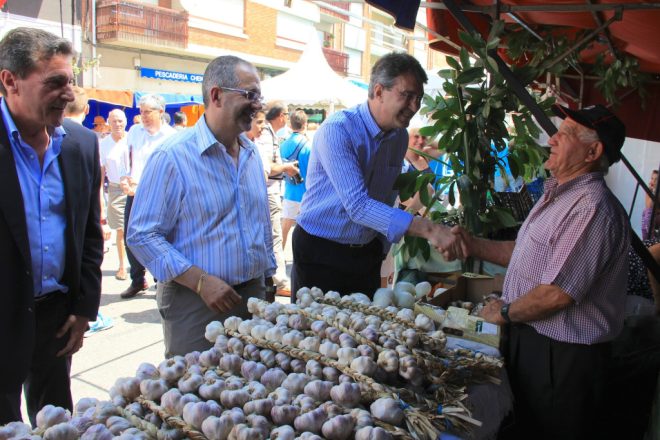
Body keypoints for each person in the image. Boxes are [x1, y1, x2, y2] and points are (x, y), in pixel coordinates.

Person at [446, 104, 629, 440]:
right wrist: (472, 244)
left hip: (563, 357)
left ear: (594, 151)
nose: (553, 138)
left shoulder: (591, 208)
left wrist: (502, 312)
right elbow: (523, 252)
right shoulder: (559, 196)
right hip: (535, 341)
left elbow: (557, 293)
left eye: (568, 133)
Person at [127, 55, 275, 357]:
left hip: (254, 298)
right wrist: (201, 282)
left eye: (259, 96)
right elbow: (142, 235)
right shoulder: (171, 157)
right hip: (195, 303)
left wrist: (267, 279)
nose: (258, 105)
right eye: (250, 95)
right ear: (216, 95)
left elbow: (259, 221)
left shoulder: (250, 153)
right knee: (195, 396)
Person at [291, 52, 458, 297]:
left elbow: (386, 195)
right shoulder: (338, 130)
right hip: (321, 251)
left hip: (365, 254)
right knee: (316, 330)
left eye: (418, 98)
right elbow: (358, 206)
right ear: (379, 91)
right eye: (407, 96)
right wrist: (430, 230)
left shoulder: (399, 136)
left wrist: (380, 248)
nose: (414, 107)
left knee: (364, 330)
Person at [0, 27, 103, 425]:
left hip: (56, 320)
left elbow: (89, 234)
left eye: (71, 80)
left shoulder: (81, 144)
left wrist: (83, 308)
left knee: (58, 422)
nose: (69, 93)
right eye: (55, 82)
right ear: (10, 80)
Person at [63, 87, 114, 337]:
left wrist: (86, 305)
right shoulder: (86, 138)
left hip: (62, 294)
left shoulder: (85, 139)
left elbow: (92, 194)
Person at [119, 94, 176, 299]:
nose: (143, 116)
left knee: (157, 237)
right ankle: (137, 279)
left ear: (161, 112)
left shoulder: (171, 136)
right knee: (130, 236)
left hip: (158, 195)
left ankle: (159, 279)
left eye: (148, 111)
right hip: (134, 193)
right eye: (141, 111)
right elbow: (127, 158)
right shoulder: (134, 132)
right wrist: (125, 177)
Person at [257, 102, 299, 296]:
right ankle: (279, 282)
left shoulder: (269, 133)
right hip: (269, 191)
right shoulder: (265, 133)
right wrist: (286, 168)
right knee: (274, 236)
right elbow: (266, 167)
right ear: (281, 116)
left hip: (271, 190)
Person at [100, 109, 129, 281]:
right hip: (115, 190)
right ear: (108, 122)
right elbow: (100, 175)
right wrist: (101, 204)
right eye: (114, 121)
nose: (118, 124)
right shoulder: (103, 144)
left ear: (126, 121)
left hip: (135, 187)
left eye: (120, 121)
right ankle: (122, 266)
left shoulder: (133, 139)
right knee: (120, 230)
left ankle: (140, 268)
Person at [280, 109, 312, 250]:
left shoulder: (283, 144)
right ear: (305, 124)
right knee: (308, 228)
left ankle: (279, 253)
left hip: (290, 191)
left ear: (290, 124)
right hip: (307, 192)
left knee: (285, 225)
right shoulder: (309, 145)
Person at [642, 169, 660, 240]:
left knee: (648, 213)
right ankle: (646, 239)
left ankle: (648, 240)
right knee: (645, 212)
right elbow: (647, 206)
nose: (653, 181)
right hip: (653, 216)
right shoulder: (652, 191)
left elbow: (650, 206)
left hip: (657, 216)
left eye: (656, 180)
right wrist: (648, 191)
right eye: (652, 178)